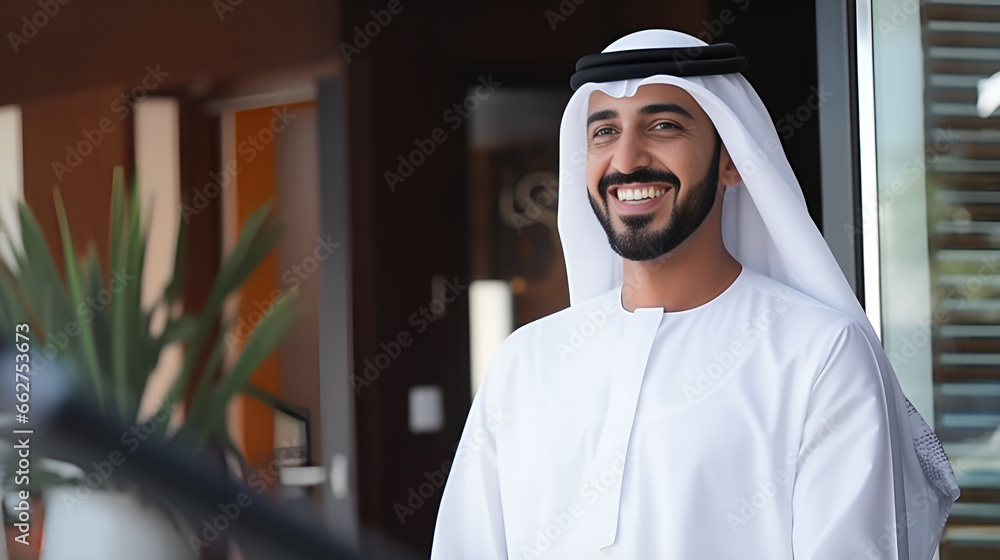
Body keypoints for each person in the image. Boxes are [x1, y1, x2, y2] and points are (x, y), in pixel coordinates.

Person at [430, 29, 960, 560]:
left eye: (663, 126)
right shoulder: (526, 361)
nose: (626, 160)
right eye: (604, 132)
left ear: (732, 161)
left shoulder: (821, 354)